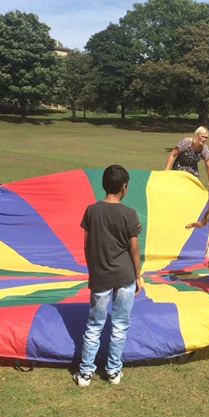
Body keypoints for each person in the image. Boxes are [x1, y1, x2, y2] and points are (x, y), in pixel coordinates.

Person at [74, 165, 142, 387]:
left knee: (95, 324)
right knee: (120, 324)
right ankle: (113, 371)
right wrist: (138, 276)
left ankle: (85, 373)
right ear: (125, 187)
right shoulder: (129, 214)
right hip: (125, 275)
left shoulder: (91, 211)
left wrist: (93, 268)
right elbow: (134, 249)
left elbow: (87, 244)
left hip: (100, 274)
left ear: (103, 186)